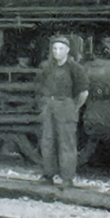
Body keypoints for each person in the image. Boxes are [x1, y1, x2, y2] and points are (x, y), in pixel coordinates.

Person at [36, 36, 89, 189]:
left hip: (66, 106)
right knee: (47, 141)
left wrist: (74, 107)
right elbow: (40, 87)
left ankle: (67, 178)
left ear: (67, 50)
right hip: (49, 106)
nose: (57, 52)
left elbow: (83, 92)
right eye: (54, 49)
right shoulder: (46, 67)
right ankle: (48, 175)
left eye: (60, 49)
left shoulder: (75, 68)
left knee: (66, 143)